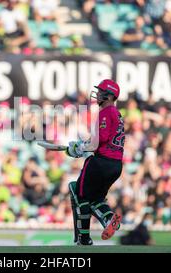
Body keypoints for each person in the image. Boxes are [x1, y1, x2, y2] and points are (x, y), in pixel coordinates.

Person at [66, 79, 125, 245]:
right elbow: (102, 140)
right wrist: (81, 145)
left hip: (101, 163)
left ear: (109, 95)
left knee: (78, 194)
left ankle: (84, 239)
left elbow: (96, 144)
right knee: (96, 199)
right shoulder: (117, 114)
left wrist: (79, 148)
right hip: (115, 166)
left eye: (101, 92)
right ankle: (107, 217)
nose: (97, 94)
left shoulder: (106, 113)